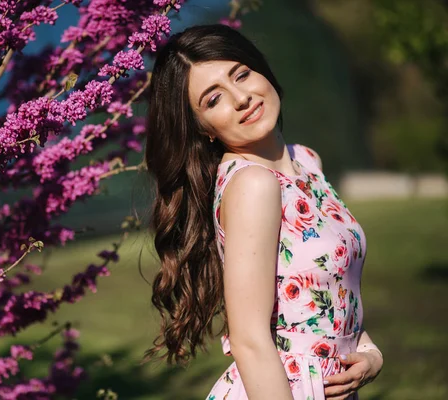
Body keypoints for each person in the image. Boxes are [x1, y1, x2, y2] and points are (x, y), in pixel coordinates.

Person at [141, 24, 384, 399]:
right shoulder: (252, 185)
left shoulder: (307, 161)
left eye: (241, 74)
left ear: (262, 70)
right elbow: (250, 340)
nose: (241, 97)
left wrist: (369, 354)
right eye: (213, 99)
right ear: (202, 128)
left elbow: (331, 295)